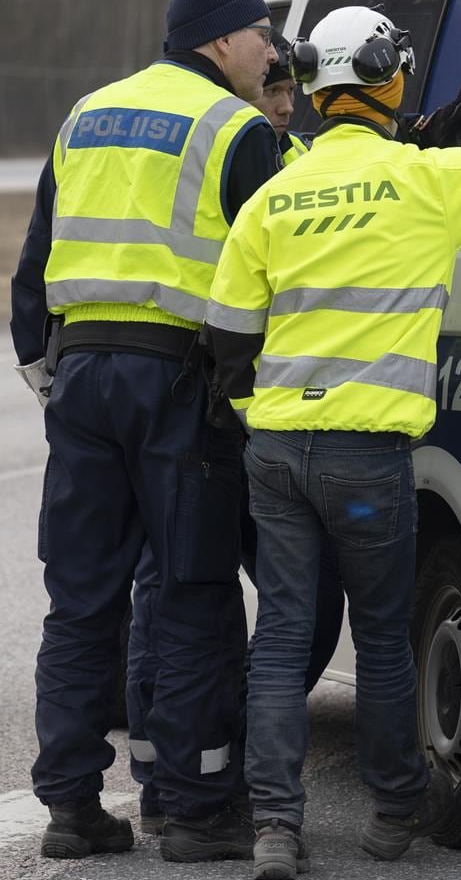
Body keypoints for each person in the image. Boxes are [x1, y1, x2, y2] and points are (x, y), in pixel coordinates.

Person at [203, 5, 461, 880]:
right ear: (389, 78)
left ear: (314, 84)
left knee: (282, 636)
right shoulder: (428, 182)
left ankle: (275, 825)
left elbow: (227, 340)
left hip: (279, 451)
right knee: (380, 637)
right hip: (369, 458)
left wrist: (267, 413)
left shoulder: (274, 195)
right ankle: (390, 813)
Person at [8, 0, 289, 863]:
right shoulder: (236, 129)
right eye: (262, 34)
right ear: (220, 40)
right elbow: (276, 271)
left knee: (81, 598)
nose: (272, 51)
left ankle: (71, 807)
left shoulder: (85, 115)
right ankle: (197, 807)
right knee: (193, 591)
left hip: (84, 375)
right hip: (178, 383)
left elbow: (34, 266)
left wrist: (50, 382)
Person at [128, 52, 344, 839]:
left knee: (189, 592)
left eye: (292, 91)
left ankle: (193, 765)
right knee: (191, 594)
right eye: (271, 88)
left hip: (246, 418)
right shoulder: (227, 144)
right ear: (236, 83)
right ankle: (182, 777)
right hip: (224, 417)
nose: (283, 104)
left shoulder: (296, 157)